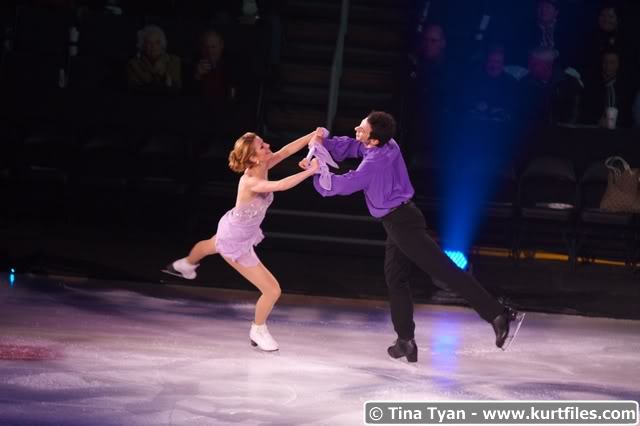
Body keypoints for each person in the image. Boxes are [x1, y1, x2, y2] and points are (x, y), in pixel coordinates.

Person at [300, 111, 524, 362]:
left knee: (444, 270)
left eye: (361, 129)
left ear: (374, 140)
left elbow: (344, 184)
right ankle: (405, 340)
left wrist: (316, 172)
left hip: (402, 223)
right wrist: (325, 142)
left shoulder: (374, 162)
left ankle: (497, 313)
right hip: (398, 220)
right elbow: (354, 146)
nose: (356, 130)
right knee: (395, 278)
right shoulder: (388, 144)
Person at [163, 130, 321, 352]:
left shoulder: (263, 164)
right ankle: (258, 330)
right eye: (262, 146)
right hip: (235, 241)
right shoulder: (250, 181)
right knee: (272, 290)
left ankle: (186, 264)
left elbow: (286, 151)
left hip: (235, 227)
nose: (268, 146)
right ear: (254, 157)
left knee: (210, 245)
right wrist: (311, 171)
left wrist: (314, 134)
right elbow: (280, 186)